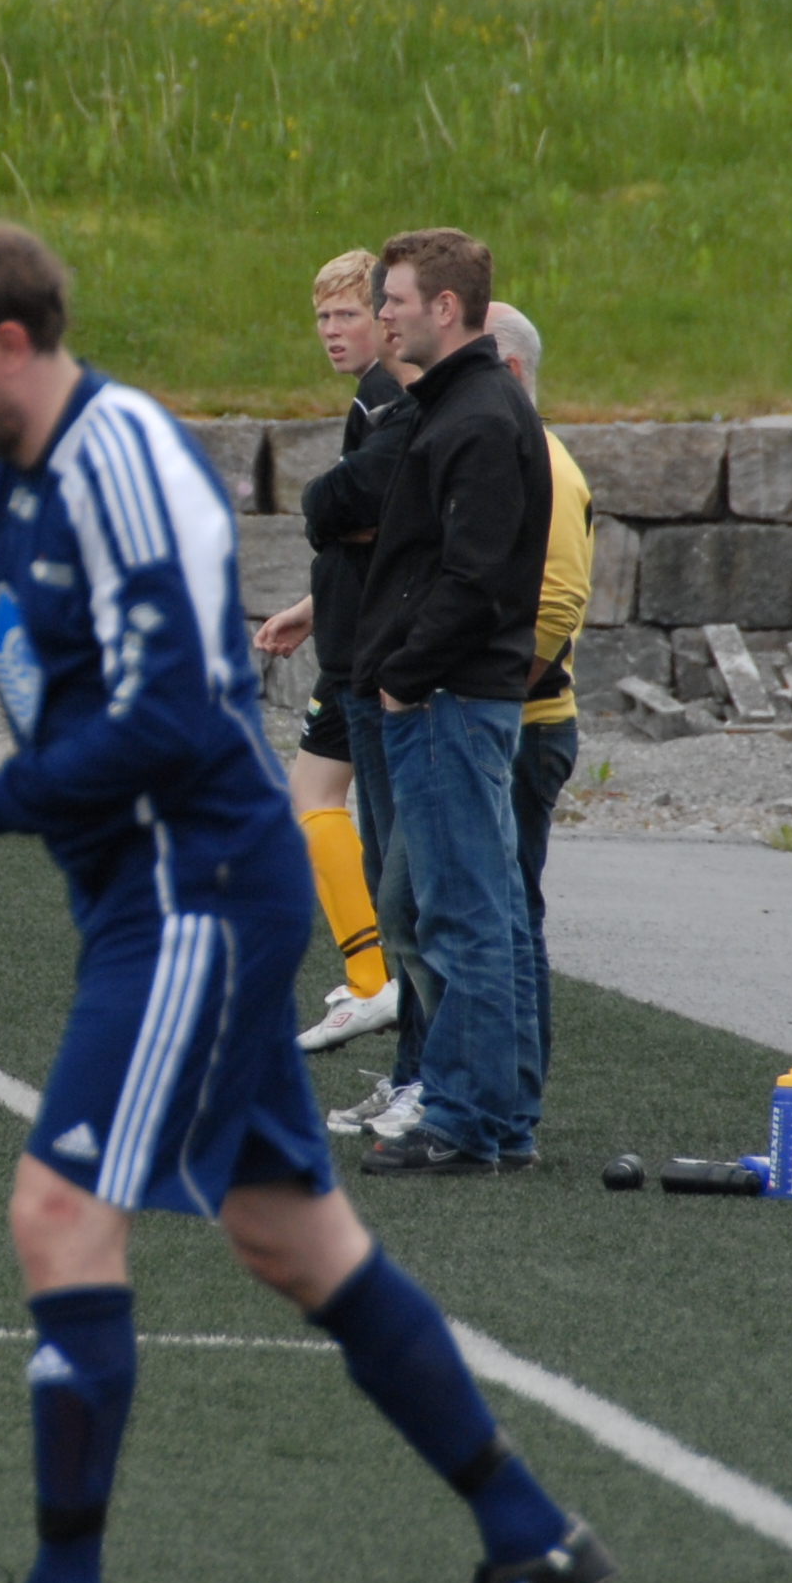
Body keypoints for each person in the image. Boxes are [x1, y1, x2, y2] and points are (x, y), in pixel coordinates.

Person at [0, 215, 615, 1583]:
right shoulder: (3, 467)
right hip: (149, 894)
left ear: (5, 347)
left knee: (58, 1213)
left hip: (196, 887)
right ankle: (528, 1534)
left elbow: (174, 721)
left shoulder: (125, 464)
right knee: (294, 1239)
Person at [349, 229, 552, 1179]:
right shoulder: (468, 404)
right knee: (483, 913)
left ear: (445, 306)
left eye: (392, 299)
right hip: (453, 694)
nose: (381, 315)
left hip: (448, 700)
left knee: (462, 916)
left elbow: (473, 578)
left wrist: (404, 673)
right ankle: (501, 1118)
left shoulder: (475, 414)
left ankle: (470, 1118)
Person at [251, 251, 401, 1056]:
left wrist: (326, 513)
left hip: (368, 649)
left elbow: (367, 516)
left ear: (385, 317)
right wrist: (312, 608)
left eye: (347, 314)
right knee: (324, 800)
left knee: (317, 798)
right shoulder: (373, 395)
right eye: (322, 318)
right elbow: (356, 536)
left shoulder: (386, 396)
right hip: (350, 632)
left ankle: (375, 981)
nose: (332, 331)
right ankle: (377, 977)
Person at [488, 303, 594, 1111]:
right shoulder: (510, 457)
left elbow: (556, 608)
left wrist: (487, 695)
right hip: (511, 718)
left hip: (525, 725)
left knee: (508, 913)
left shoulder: (545, 466)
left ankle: (513, 1100)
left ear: (509, 372)